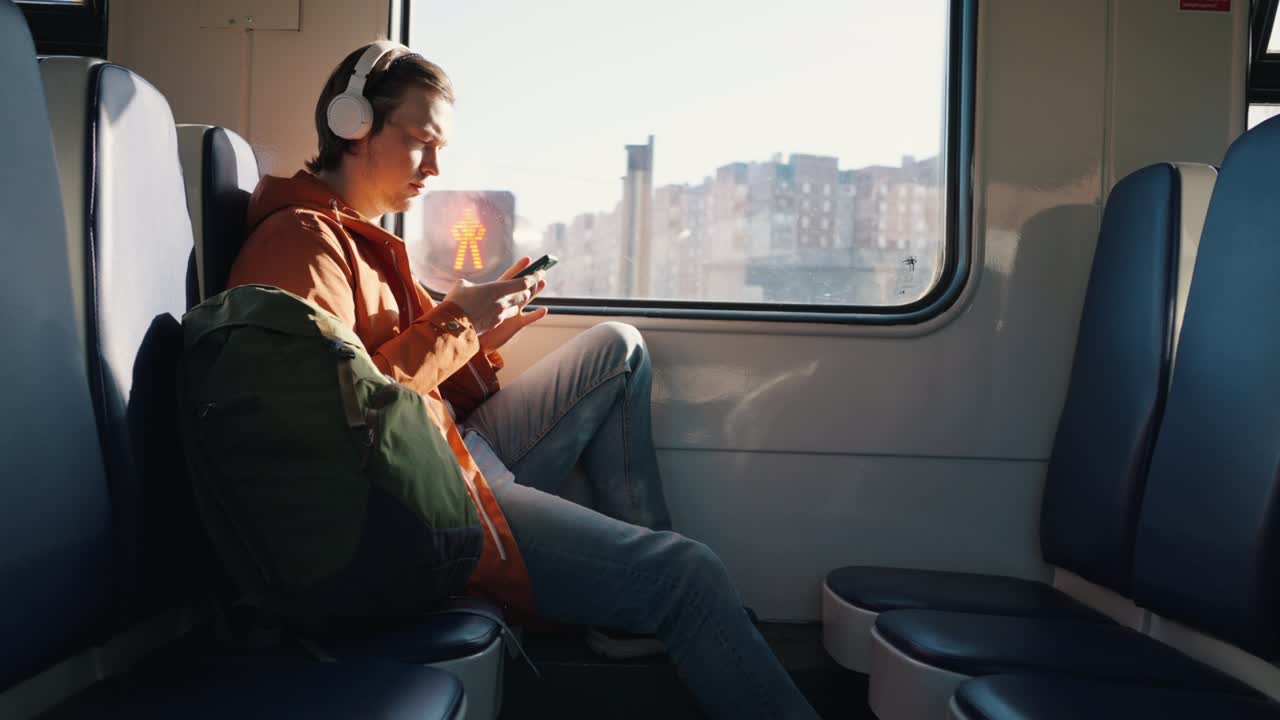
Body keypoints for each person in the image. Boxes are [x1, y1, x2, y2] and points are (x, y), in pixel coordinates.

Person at [227, 41, 819, 720]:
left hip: (440, 448)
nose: (436, 166)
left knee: (614, 349)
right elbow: (329, 422)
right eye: (421, 140)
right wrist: (454, 326)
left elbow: (404, 375)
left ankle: (629, 617)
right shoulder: (300, 244)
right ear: (352, 123)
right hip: (412, 499)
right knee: (689, 576)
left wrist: (479, 334)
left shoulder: (361, 237)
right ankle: (660, 595)